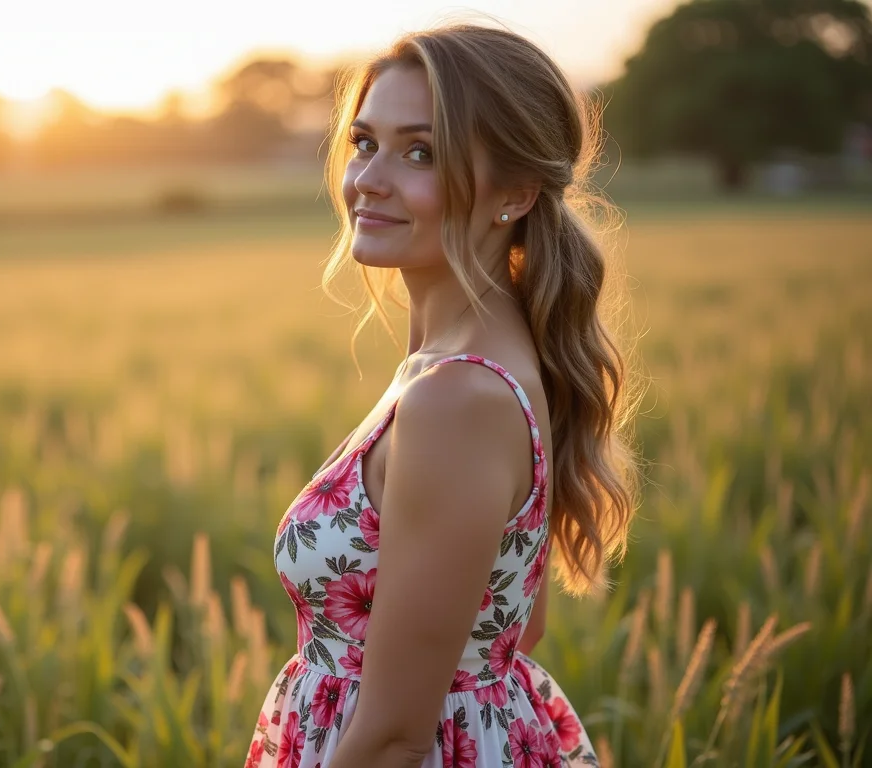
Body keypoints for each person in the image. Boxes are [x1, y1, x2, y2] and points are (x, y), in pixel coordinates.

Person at [245, 22, 637, 768]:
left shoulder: (457, 397)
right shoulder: (469, 360)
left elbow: (395, 736)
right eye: (364, 142)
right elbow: (514, 623)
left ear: (516, 193)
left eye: (420, 152)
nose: (369, 179)